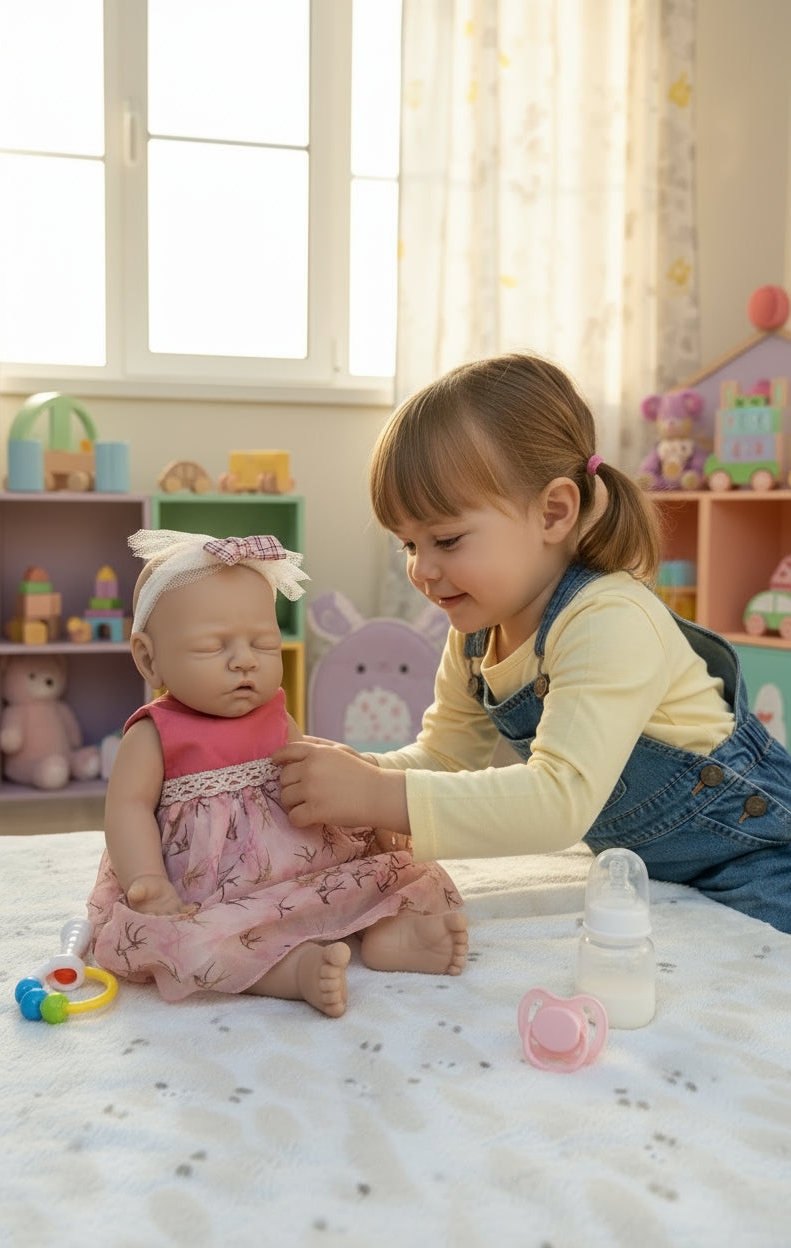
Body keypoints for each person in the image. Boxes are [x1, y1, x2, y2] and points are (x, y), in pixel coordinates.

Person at [274, 353, 791, 934]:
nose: (421, 570)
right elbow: (443, 759)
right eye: (408, 545)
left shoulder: (608, 620)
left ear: (553, 512)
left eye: (445, 539)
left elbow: (558, 800)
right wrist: (356, 771)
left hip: (758, 853)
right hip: (651, 871)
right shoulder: (476, 634)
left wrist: (375, 794)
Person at [87, 529, 467, 1017]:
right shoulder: (154, 732)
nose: (245, 659)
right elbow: (127, 806)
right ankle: (292, 974)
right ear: (148, 657)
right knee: (192, 941)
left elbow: (316, 766)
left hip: (302, 864)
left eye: (264, 643)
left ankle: (391, 936)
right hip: (211, 890)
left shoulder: (274, 714)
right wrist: (147, 879)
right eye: (213, 646)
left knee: (372, 876)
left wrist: (374, 814)